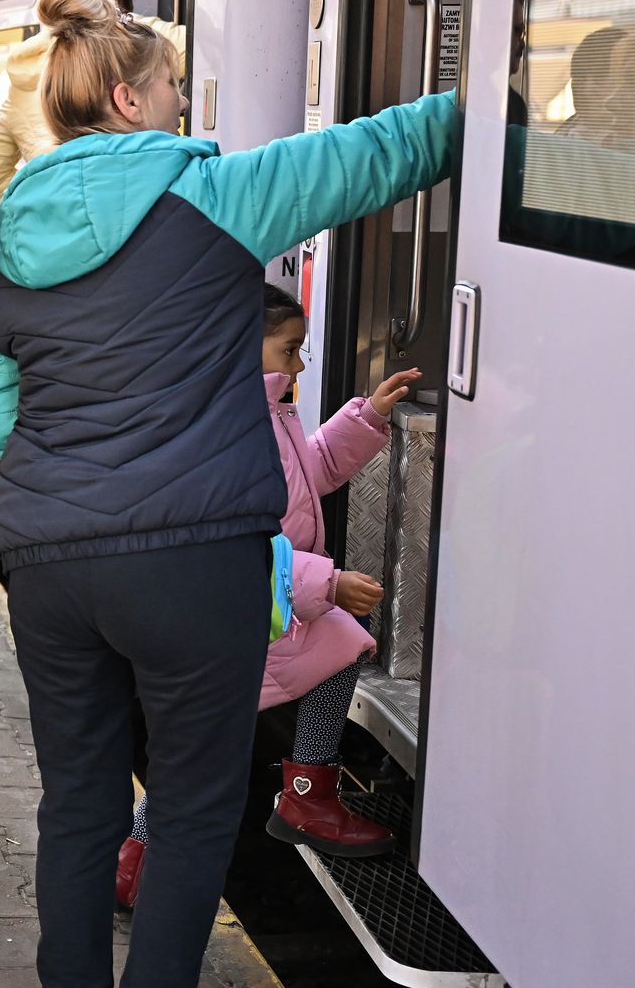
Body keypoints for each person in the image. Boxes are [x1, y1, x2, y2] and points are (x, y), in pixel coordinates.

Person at [0, 0, 458, 987]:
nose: (183, 108)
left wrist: (65, 500)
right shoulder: (215, 195)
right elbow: (380, 154)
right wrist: (502, 97)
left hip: (52, 569)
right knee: (191, 813)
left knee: (79, 806)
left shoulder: (16, 239)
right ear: (126, 98)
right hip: (195, 563)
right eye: (173, 90)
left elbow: (2, 413)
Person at [116, 285, 422, 905]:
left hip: (264, 606)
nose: (301, 364)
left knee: (206, 750)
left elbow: (309, 475)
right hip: (240, 612)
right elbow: (236, 541)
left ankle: (141, 861)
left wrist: (368, 418)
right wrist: (327, 584)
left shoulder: (266, 410)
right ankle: (302, 799)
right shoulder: (231, 425)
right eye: (290, 350)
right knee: (202, 756)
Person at [0, 0, 179, 206]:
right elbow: (201, 44)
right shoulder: (124, 51)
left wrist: (41, 209)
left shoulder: (18, 75)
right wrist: (122, 23)